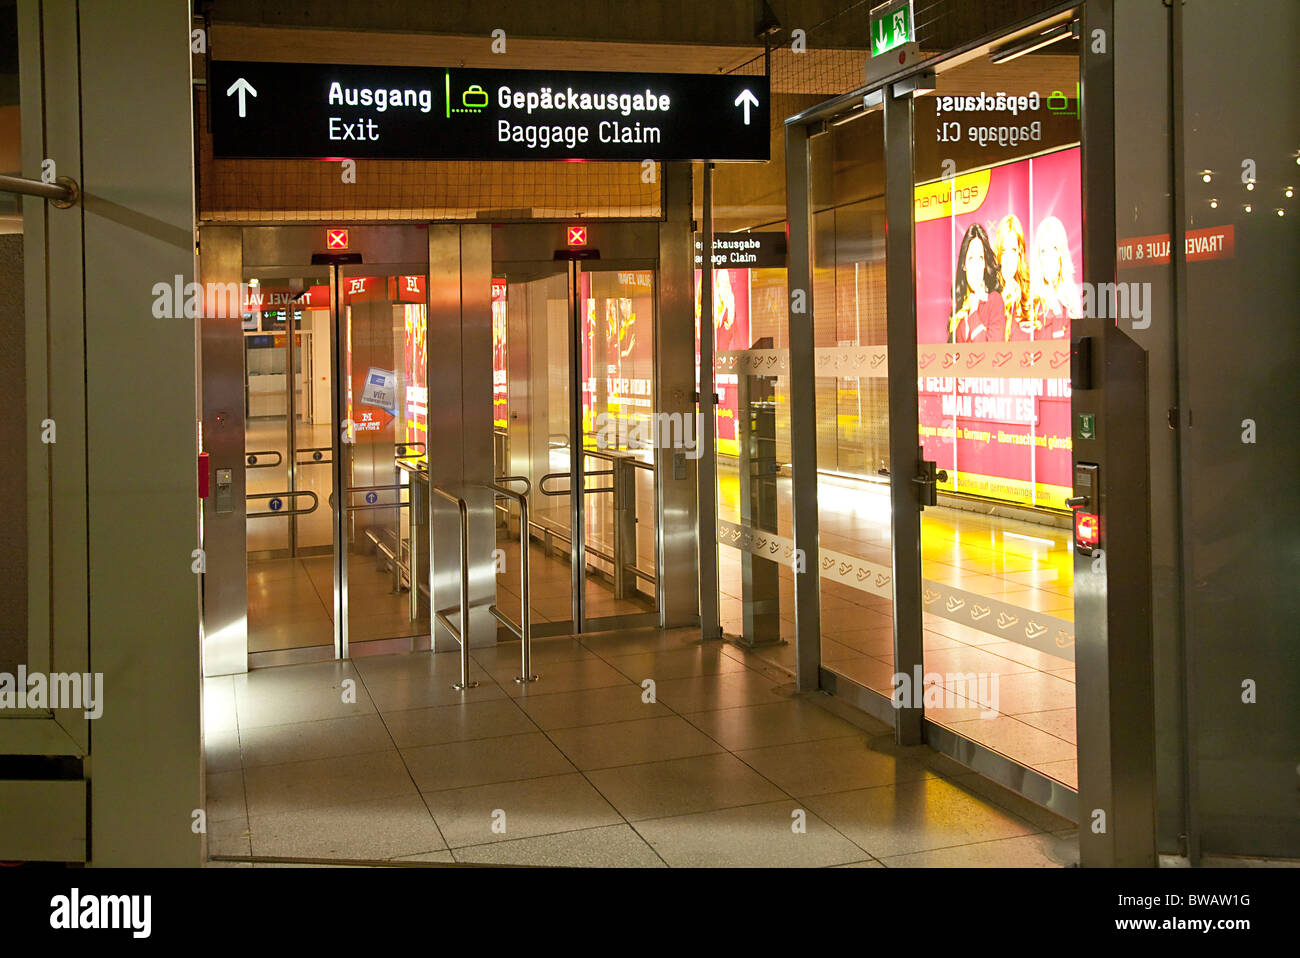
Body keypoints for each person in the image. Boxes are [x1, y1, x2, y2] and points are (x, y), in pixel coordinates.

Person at [948, 223, 1004, 343]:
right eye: (971, 259)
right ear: (964, 265)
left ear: (985, 264)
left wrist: (973, 313)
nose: (976, 266)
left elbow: (993, 354)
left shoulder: (995, 301)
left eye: (980, 258)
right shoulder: (960, 309)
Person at [1031, 215, 1082, 339]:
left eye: (1053, 248)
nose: (1048, 257)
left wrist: (1057, 310)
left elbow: (1069, 349)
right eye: (1043, 251)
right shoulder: (1032, 301)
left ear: (1061, 253)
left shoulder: (1072, 298)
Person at [993, 214, 1037, 341]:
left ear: (1020, 253)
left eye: (1013, 250)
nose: (1007, 259)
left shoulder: (1030, 295)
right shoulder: (989, 294)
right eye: (1003, 251)